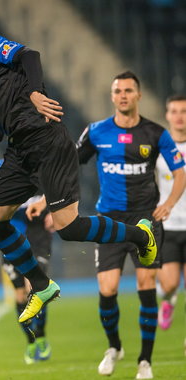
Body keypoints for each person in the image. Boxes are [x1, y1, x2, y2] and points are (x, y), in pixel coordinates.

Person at [0, 13, 157, 324]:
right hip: (19, 151)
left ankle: (141, 236)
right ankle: (41, 284)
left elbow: (29, 55)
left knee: (70, 228)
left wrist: (35, 92)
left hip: (46, 139)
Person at [75, 72, 185, 378]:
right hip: (109, 221)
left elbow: (180, 171)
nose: (123, 95)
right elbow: (71, 163)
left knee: (146, 285)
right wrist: (50, 199)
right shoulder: (96, 131)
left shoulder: (155, 133)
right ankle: (115, 347)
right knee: (107, 288)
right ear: (112, 96)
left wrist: (169, 204)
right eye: (117, 91)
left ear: (138, 95)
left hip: (145, 221)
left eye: (128, 90)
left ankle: (145, 362)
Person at [0, 159, 54, 364]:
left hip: (39, 236)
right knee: (20, 295)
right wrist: (5, 201)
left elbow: (59, 188)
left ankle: (42, 337)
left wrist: (55, 212)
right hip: (12, 237)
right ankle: (30, 342)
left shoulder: (41, 163)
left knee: (35, 288)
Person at [155, 95, 186, 337]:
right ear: (167, 115)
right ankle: (168, 299)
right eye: (174, 111)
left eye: (183, 111)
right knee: (170, 284)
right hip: (168, 226)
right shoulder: (160, 149)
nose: (179, 116)